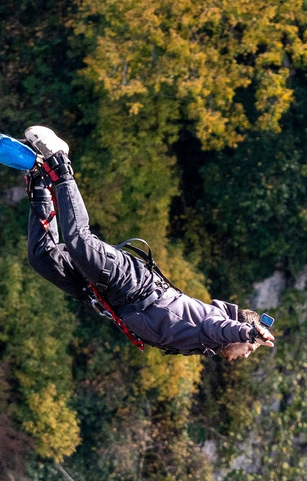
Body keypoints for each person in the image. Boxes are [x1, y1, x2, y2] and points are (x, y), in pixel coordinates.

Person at [21, 127, 276, 360]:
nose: (245, 356)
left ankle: (40, 181)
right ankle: (59, 162)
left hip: (107, 297)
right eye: (249, 351)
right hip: (130, 283)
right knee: (78, 240)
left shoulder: (202, 343)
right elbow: (223, 329)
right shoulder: (213, 325)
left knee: (43, 258)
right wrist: (248, 334)